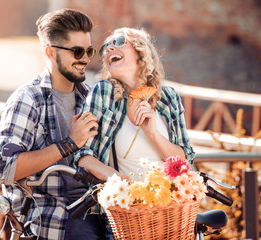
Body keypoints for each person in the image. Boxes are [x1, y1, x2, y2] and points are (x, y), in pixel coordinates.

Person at [0, 9, 103, 240]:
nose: (85, 59)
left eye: (88, 51)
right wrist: (69, 144)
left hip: (99, 208)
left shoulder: (90, 97)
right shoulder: (27, 99)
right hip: (53, 218)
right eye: (77, 51)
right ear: (50, 52)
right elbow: (4, 168)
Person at [75, 27, 195, 186]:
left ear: (140, 52)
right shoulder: (104, 93)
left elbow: (184, 163)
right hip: (125, 205)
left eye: (118, 42)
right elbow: (83, 156)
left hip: (170, 205)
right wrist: (114, 177)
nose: (109, 48)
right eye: (106, 47)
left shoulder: (168, 97)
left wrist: (152, 134)